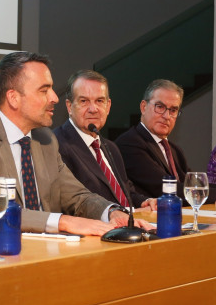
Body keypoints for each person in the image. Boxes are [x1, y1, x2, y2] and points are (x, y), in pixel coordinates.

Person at [0, 52, 146, 236]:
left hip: (43, 256)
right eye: (44, 90)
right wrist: (63, 222)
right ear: (13, 98)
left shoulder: (46, 141)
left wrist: (111, 212)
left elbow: (77, 197)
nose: (55, 98)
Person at [54, 70, 156, 210]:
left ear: (108, 106)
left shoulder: (111, 147)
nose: (93, 109)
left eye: (99, 101)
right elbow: (73, 204)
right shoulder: (57, 145)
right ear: (69, 106)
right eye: (84, 101)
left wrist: (145, 201)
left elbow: (126, 194)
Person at [116, 79, 216, 203]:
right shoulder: (130, 143)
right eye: (160, 107)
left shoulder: (174, 150)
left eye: (173, 110)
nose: (166, 116)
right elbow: (165, 188)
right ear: (143, 107)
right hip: (150, 219)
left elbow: (193, 184)